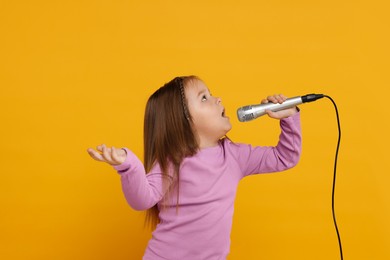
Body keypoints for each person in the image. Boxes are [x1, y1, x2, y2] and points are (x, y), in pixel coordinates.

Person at [87, 75, 301, 260]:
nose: (218, 99)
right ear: (184, 121)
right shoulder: (172, 162)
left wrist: (289, 118)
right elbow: (141, 200)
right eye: (204, 98)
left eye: (211, 93)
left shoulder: (235, 156)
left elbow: (285, 157)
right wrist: (129, 165)